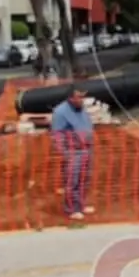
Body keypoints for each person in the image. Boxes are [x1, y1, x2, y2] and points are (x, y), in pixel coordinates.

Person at [50, 88, 96, 221]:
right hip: (72, 152)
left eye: (82, 97)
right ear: (71, 98)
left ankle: (80, 205)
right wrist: (64, 154)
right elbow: (57, 135)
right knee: (72, 181)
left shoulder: (82, 109)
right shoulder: (60, 112)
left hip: (86, 149)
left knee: (84, 180)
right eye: (79, 97)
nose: (82, 100)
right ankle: (71, 209)